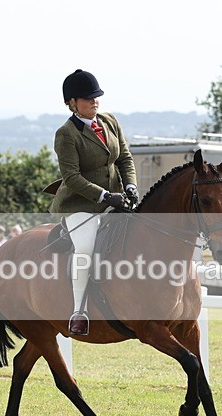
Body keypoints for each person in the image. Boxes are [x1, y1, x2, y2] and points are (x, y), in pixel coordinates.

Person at [46, 69, 137, 336]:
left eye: (96, 97)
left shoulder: (109, 121)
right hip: (80, 203)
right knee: (85, 248)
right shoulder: (66, 134)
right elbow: (71, 177)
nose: (94, 102)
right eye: (88, 99)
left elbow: (125, 158)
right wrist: (105, 196)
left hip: (117, 198)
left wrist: (130, 185)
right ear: (72, 103)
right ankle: (79, 311)